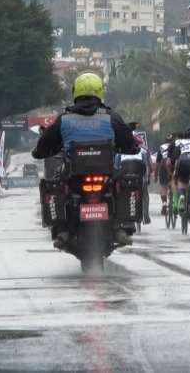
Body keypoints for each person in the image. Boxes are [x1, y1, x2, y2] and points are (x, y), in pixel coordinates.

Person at [32, 72, 139, 247]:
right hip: (106, 175)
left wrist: (40, 151)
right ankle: (121, 225)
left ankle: (63, 229)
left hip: (74, 176)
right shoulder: (112, 117)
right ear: (99, 91)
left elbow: (45, 143)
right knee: (122, 182)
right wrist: (132, 147)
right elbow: (128, 143)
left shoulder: (64, 119)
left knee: (57, 182)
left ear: (76, 92)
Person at [116, 130, 152, 225]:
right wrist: (146, 181)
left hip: (124, 169)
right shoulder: (144, 151)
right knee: (144, 191)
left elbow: (116, 166)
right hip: (139, 169)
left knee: (122, 191)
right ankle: (145, 212)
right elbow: (146, 167)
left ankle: (122, 210)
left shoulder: (119, 150)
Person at [155, 132, 176, 215]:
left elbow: (157, 164)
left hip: (163, 163)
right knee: (174, 181)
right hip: (172, 162)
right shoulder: (175, 145)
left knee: (163, 185)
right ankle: (174, 200)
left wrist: (155, 176)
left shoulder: (161, 147)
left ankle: (164, 203)